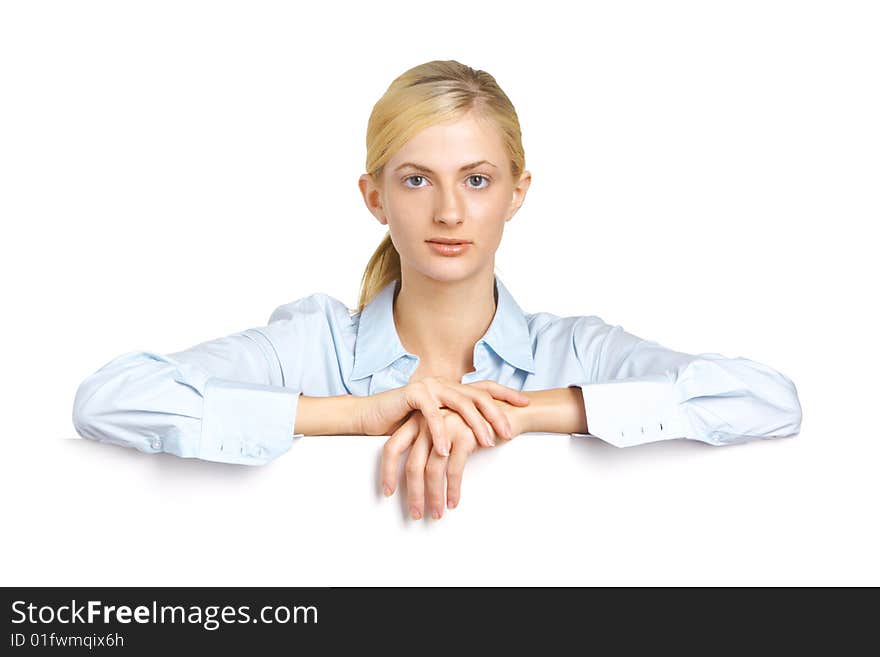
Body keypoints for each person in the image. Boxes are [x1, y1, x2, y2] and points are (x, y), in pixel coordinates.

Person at [72, 59, 802, 521]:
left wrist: (523, 414)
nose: (449, 212)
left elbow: (767, 399)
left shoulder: (574, 349)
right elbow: (109, 398)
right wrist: (361, 416)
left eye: (476, 180)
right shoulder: (310, 342)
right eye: (416, 179)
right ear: (374, 196)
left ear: (516, 192)